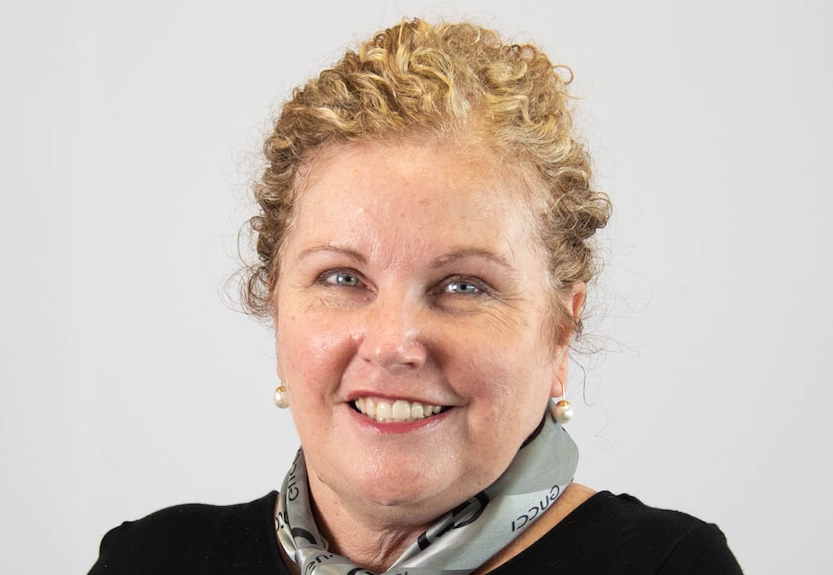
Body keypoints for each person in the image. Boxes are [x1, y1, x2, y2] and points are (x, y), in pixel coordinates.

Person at [88, 18, 743, 574]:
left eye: (464, 285)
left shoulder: (664, 566)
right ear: (277, 302)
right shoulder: (149, 560)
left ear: (559, 334)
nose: (394, 342)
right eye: (343, 278)